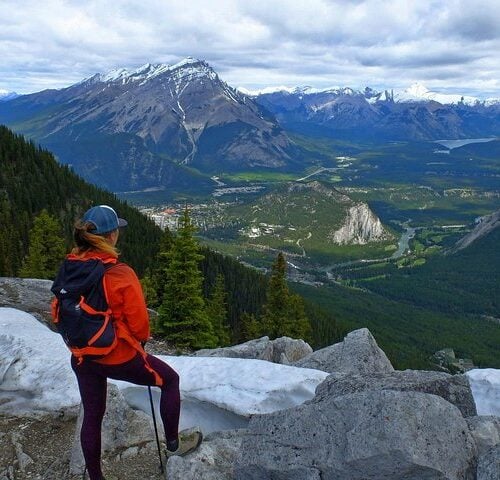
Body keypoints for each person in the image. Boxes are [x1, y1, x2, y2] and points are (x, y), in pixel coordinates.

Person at [54, 205, 202, 480]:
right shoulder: (119, 273)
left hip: (82, 356)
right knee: (169, 380)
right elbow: (139, 323)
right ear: (111, 236)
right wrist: (141, 342)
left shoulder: (71, 265)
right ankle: (173, 446)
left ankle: (96, 476)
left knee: (93, 414)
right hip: (117, 354)